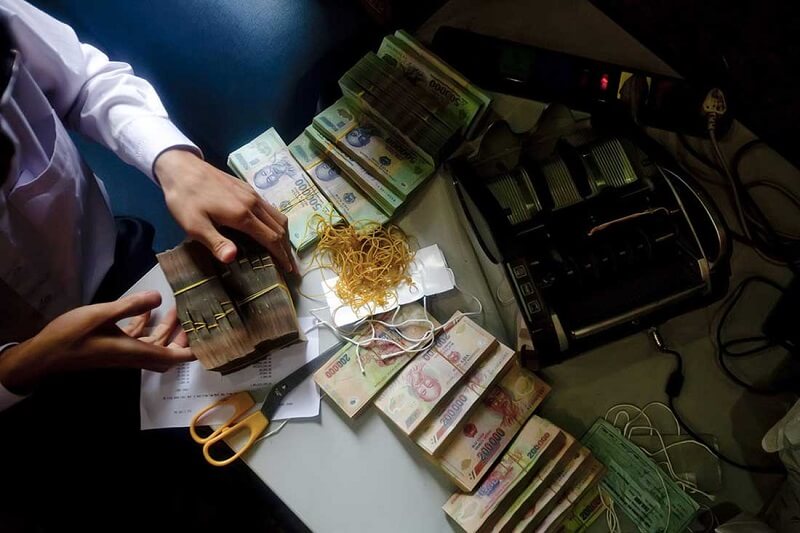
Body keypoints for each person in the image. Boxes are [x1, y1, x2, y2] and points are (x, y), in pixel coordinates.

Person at [0, 1, 301, 530]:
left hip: (117, 277)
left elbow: (84, 82)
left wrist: (171, 158)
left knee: (272, 456)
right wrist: (16, 369)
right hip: (21, 406)